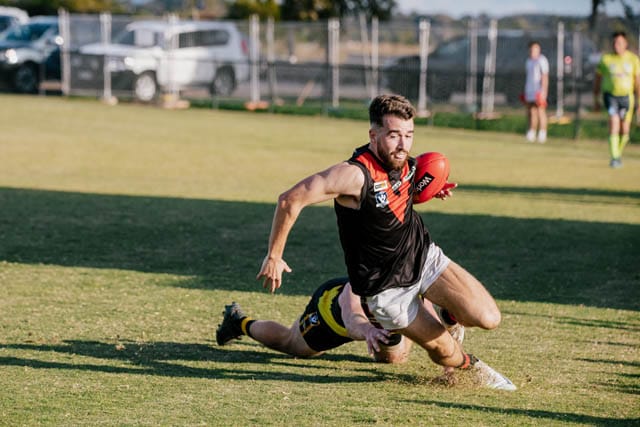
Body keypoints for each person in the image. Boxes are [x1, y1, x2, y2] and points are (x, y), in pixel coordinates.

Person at [255, 94, 516, 391]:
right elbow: (290, 199)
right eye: (394, 135)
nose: (403, 145)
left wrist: (431, 188)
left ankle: (449, 313)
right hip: (385, 290)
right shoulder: (353, 175)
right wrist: (274, 256)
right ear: (374, 135)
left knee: (488, 317)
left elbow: (399, 193)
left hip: (421, 258)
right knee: (444, 352)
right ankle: (473, 367)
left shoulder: (405, 163)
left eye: (409, 135)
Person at [215, 277, 420, 363]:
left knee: (393, 359)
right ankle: (238, 322)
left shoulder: (416, 273)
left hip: (377, 320)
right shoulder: (362, 281)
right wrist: (368, 330)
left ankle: (390, 332)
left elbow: (427, 317)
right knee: (291, 343)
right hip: (331, 315)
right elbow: (352, 319)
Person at [594, 31, 640, 168]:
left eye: (619, 43)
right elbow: (597, 79)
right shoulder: (606, 59)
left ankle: (617, 154)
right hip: (610, 96)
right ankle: (614, 157)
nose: (616, 45)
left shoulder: (633, 59)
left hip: (626, 98)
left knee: (624, 130)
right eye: (614, 43)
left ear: (625, 44)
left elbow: (637, 82)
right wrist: (596, 98)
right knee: (614, 123)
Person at [524, 40, 549, 143]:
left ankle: (542, 133)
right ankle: (532, 132)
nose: (534, 51)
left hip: (539, 90)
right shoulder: (528, 61)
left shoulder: (542, 60)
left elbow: (545, 76)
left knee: (540, 111)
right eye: (532, 49)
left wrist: (543, 91)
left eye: (536, 49)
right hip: (530, 90)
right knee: (531, 111)